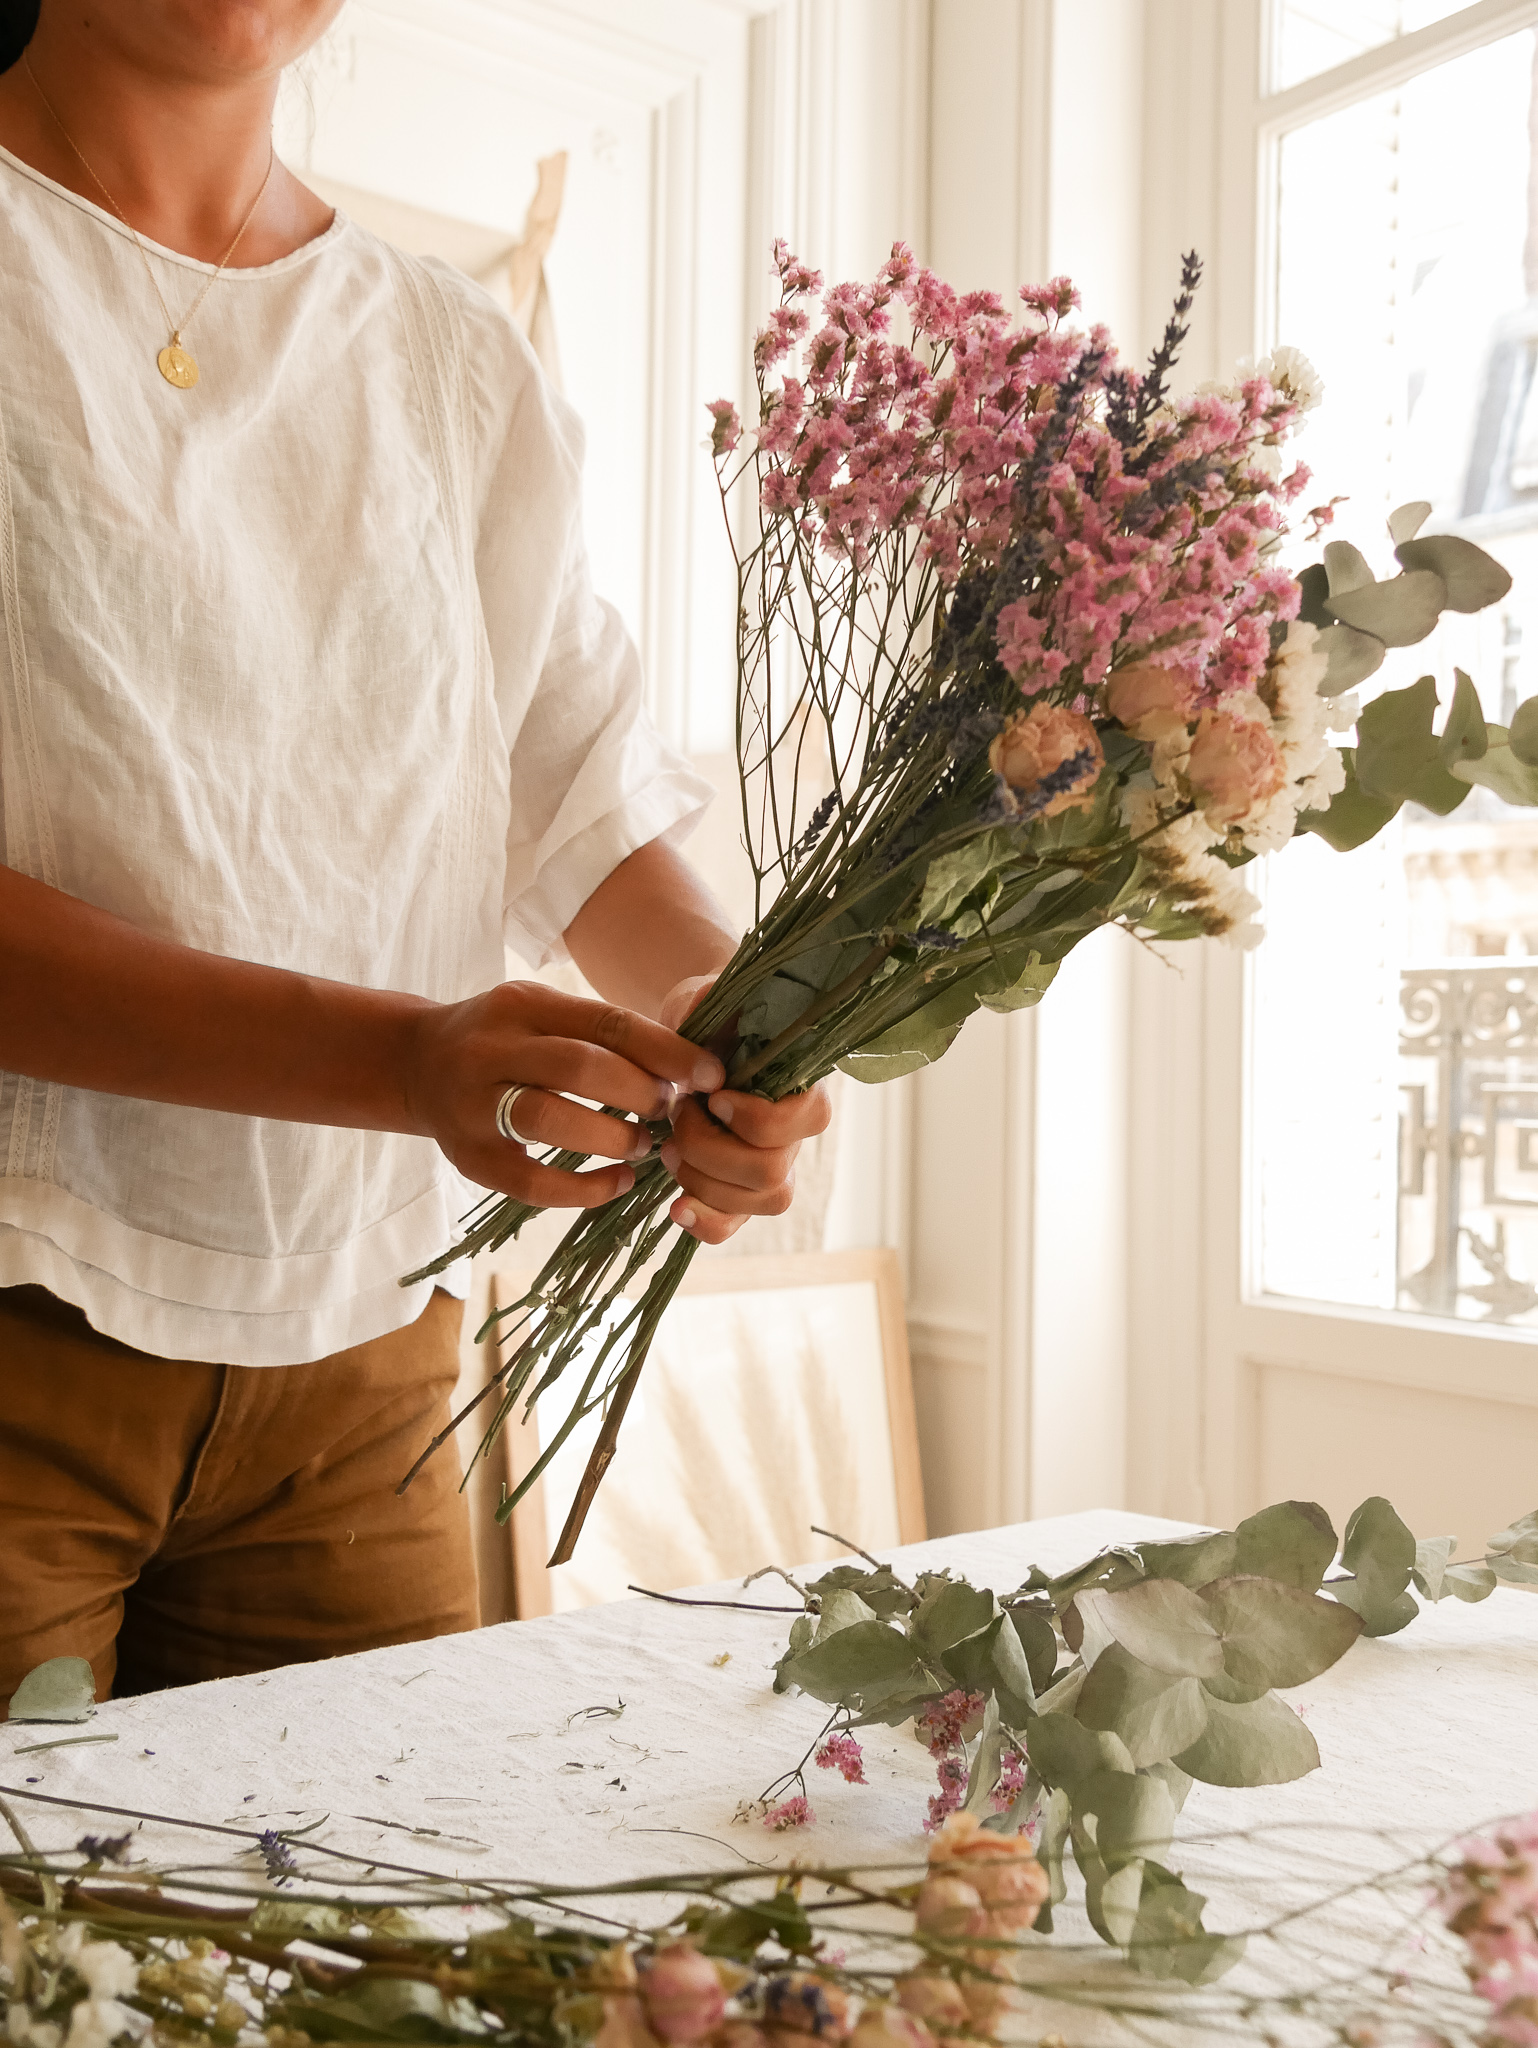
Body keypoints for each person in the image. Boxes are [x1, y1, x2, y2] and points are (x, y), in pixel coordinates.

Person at [0, 0, 829, 1712]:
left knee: (353, 1966)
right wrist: (408, 1059)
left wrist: (731, 1029)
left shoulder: (454, 358)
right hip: (23, 1300)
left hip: (372, 1358)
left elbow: (570, 780)